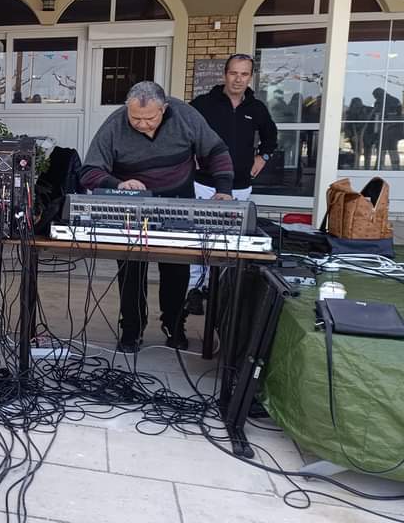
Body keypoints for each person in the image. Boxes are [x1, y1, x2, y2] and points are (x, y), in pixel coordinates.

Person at [80, 81, 234, 352]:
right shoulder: (114, 124)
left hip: (178, 201)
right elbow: (89, 171)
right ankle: (132, 330)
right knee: (131, 269)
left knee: (176, 268)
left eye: (149, 118)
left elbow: (216, 151)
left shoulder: (185, 116)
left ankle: (174, 325)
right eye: (135, 118)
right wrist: (119, 184)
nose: (142, 124)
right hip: (132, 208)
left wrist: (223, 190)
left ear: (164, 109)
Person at [185, 54, 277, 315]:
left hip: (240, 185)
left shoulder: (256, 108)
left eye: (244, 74)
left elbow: (271, 136)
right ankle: (195, 290)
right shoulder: (203, 104)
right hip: (205, 183)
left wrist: (263, 157)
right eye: (234, 73)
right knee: (200, 236)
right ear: (225, 74)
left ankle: (221, 291)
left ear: (250, 77)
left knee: (230, 239)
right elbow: (183, 131)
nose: (238, 79)